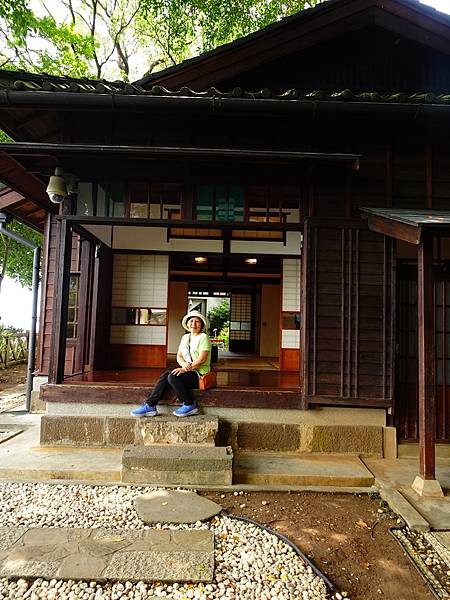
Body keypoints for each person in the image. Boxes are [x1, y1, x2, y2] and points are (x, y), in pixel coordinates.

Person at [130, 310, 211, 418]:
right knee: (166, 375)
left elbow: (201, 359)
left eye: (197, 322)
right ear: (187, 324)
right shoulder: (185, 338)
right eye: (191, 321)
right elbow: (179, 356)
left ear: (201, 325)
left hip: (200, 374)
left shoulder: (203, 337)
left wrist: (185, 369)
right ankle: (150, 406)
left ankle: (190, 404)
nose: (193, 324)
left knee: (173, 377)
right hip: (189, 370)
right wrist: (183, 366)